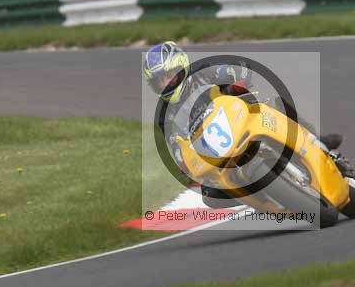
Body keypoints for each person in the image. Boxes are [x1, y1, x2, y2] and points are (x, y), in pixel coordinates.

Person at [142, 41, 343, 207]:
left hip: (244, 117)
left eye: (168, 76)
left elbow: (237, 68)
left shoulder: (204, 72)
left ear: (181, 67)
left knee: (278, 104)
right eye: (159, 82)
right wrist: (184, 164)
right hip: (217, 151)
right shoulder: (165, 116)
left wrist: (237, 80)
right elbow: (176, 146)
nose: (165, 84)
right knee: (209, 196)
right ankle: (266, 198)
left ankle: (317, 142)